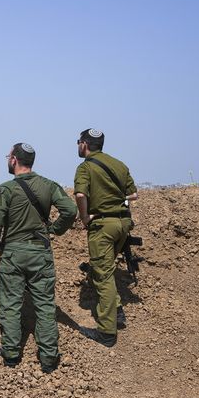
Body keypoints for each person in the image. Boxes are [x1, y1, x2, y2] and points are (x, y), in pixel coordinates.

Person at [0, 143, 77, 372]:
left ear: (14, 160)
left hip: (13, 253)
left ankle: (11, 355)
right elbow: (70, 210)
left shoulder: (5, 190)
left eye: (8, 156)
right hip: (40, 252)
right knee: (45, 305)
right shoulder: (48, 185)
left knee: (10, 304)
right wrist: (54, 229)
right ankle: (48, 358)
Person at [74, 128, 138, 347]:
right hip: (123, 223)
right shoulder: (119, 164)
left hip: (103, 225)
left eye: (78, 142)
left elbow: (81, 194)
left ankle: (107, 333)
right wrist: (114, 199)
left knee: (102, 276)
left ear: (84, 144)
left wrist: (85, 217)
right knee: (106, 267)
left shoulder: (86, 167)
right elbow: (134, 194)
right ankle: (117, 310)